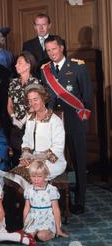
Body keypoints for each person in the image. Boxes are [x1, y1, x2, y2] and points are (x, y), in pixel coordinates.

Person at [42, 35, 93, 215]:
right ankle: (60, 198)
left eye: (54, 49)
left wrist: (82, 121)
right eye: (48, 50)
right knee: (54, 160)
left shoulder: (78, 67)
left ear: (62, 48)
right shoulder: (45, 70)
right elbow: (47, 98)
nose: (51, 53)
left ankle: (79, 201)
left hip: (74, 121)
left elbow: (87, 98)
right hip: (55, 123)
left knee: (78, 161)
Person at [5, 84, 67, 189]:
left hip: (52, 162)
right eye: (30, 100)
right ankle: (28, 202)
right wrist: (25, 157)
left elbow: (58, 148)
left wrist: (37, 159)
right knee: (11, 176)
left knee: (31, 176)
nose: (32, 103)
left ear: (43, 98)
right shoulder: (30, 119)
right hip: (32, 161)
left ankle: (38, 202)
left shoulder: (55, 121)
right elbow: (26, 142)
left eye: (35, 99)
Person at [23, 160, 68, 242]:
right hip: (33, 217)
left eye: (39, 176)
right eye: (33, 176)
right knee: (28, 237)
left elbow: (56, 209)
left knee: (41, 236)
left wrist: (58, 228)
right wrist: (25, 224)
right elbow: (27, 207)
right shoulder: (29, 190)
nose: (36, 179)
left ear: (45, 176)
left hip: (47, 218)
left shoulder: (51, 190)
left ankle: (52, 233)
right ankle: (33, 233)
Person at [7, 51, 40, 167]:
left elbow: (35, 105)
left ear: (28, 65)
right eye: (16, 63)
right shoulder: (13, 83)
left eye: (20, 63)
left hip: (31, 124)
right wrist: (14, 118)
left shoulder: (35, 82)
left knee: (30, 158)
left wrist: (24, 120)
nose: (16, 66)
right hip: (16, 125)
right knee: (16, 155)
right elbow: (9, 105)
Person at [22, 14, 66, 78]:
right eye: (38, 25)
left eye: (44, 24)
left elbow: (63, 63)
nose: (41, 28)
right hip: (35, 81)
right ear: (34, 27)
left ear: (49, 25)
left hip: (54, 79)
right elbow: (25, 65)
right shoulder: (27, 45)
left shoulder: (59, 41)